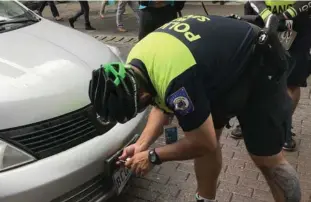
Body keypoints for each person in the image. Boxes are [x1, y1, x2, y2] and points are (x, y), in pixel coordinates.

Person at [88, 14, 300, 202]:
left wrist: (154, 156)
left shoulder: (177, 82)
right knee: (206, 137)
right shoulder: (136, 62)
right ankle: (205, 199)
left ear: (140, 93)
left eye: (141, 104)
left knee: (265, 158)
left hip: (258, 65)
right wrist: (141, 145)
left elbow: (201, 142)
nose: (148, 105)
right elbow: (161, 105)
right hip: (215, 70)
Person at [230, 1, 311, 151]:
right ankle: (248, 123)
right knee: (253, 76)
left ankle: (283, 129)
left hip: (296, 26)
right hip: (262, 22)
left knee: (292, 82)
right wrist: (269, 16)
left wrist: (284, 15)